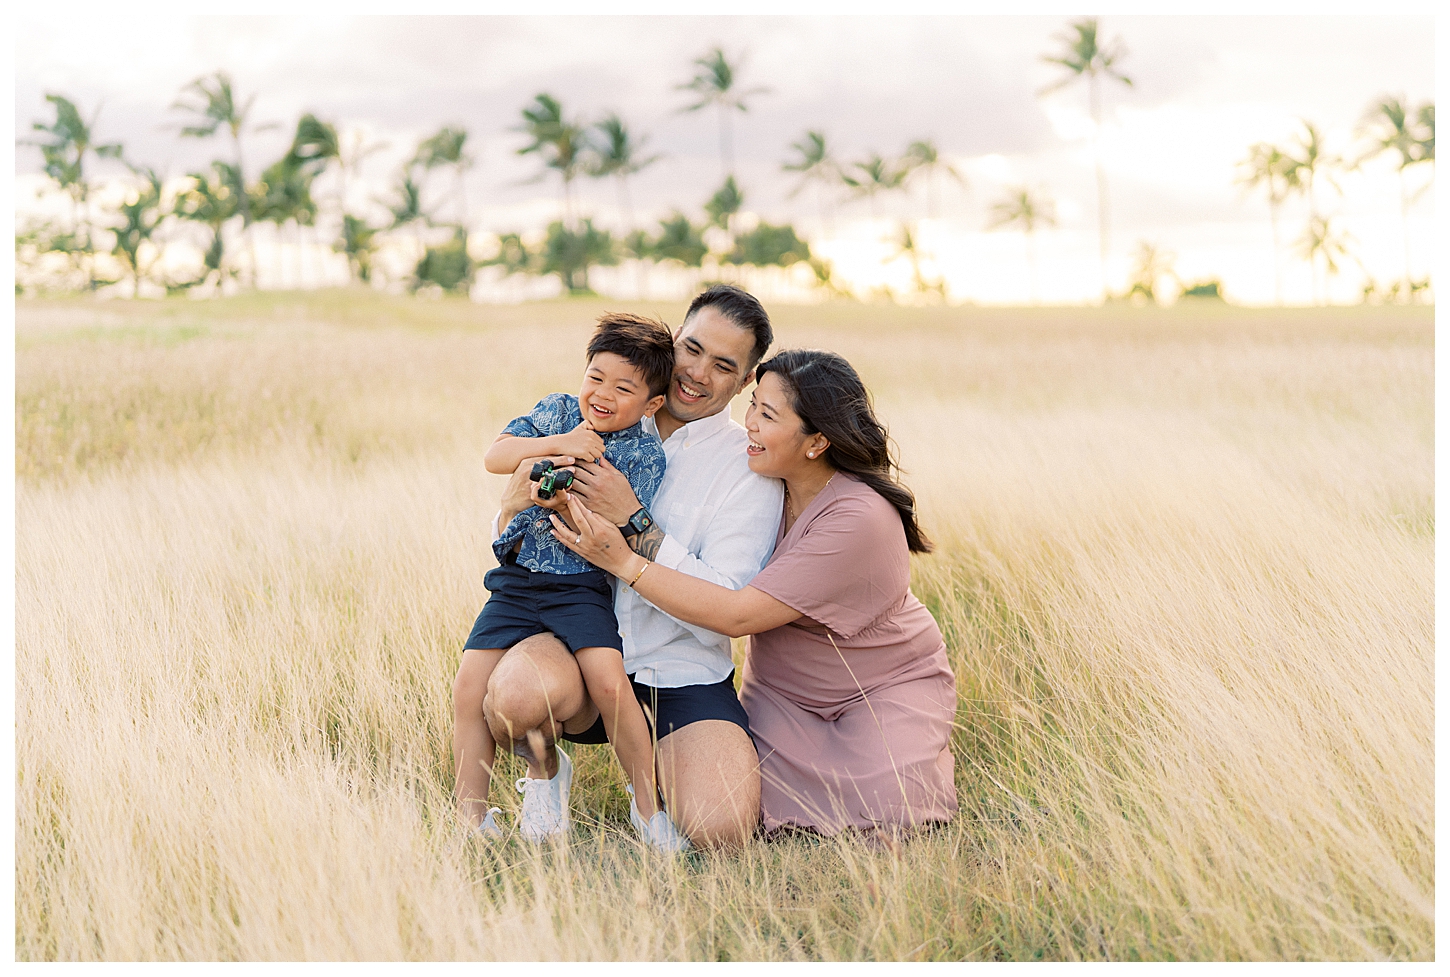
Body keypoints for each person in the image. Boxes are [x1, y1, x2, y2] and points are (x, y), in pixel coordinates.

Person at [555, 348, 959, 843]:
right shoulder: (771, 482)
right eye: (753, 405)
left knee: (891, 812)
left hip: (878, 683)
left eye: (767, 415)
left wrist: (625, 559)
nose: (748, 423)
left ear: (816, 443)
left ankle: (915, 745)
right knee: (757, 811)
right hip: (783, 692)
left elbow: (736, 614)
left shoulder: (859, 518)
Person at [477, 285, 783, 851]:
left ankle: (661, 777)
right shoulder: (596, 414)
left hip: (680, 671)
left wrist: (635, 524)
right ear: (673, 341)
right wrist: (510, 507)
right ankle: (546, 773)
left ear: (745, 382)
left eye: (723, 366)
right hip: (574, 643)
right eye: (691, 349)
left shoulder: (747, 469)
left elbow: (725, 608)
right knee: (517, 697)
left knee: (721, 829)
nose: (695, 373)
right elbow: (511, 533)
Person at [452, 312, 673, 841]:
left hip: (581, 586)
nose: (602, 394)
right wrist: (558, 446)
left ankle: (650, 812)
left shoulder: (644, 454)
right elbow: (496, 457)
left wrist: (564, 499)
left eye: (624, 388)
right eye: (595, 377)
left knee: (610, 686)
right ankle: (472, 820)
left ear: (653, 404)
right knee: (467, 690)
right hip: (517, 578)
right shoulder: (555, 411)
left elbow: (613, 526)